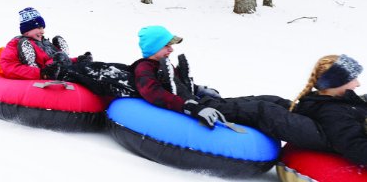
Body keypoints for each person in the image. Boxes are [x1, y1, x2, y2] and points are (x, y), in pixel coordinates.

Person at [130, 25, 330, 151]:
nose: (171, 49)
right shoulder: (144, 68)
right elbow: (153, 93)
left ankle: (315, 114)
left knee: (270, 99)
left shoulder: (165, 65)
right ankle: (320, 133)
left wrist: (199, 89)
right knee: (260, 109)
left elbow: (180, 85)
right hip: (198, 108)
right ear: (154, 47)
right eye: (166, 45)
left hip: (204, 102)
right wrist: (191, 106)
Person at [0, 7, 133, 97]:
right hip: (54, 74)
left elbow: (56, 58)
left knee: (95, 66)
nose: (43, 31)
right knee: (89, 75)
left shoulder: (45, 42)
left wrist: (78, 59)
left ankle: (130, 71)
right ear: (26, 30)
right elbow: (7, 66)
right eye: (39, 27)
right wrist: (42, 73)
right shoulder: (16, 43)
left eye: (43, 27)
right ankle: (125, 88)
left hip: (63, 67)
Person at [291, 55, 366, 164]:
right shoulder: (332, 112)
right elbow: (353, 145)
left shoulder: (343, 101)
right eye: (353, 79)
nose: (358, 84)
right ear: (338, 82)